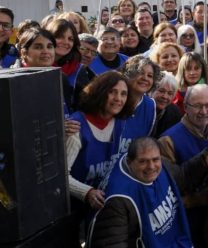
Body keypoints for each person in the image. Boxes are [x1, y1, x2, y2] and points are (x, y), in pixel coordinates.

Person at [159, 84, 208, 246]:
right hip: (188, 225)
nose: (204, 112)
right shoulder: (168, 140)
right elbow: (168, 190)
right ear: (185, 107)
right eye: (198, 106)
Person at [89, 137, 194, 247]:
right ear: (130, 162)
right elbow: (111, 243)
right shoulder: (118, 199)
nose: (151, 167)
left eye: (155, 159)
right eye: (143, 161)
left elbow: (182, 176)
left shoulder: (162, 167)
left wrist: (205, 159)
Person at [66, 72, 134, 216]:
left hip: (102, 204)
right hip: (74, 208)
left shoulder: (120, 122)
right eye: (112, 92)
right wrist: (88, 192)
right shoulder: (76, 126)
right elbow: (62, 177)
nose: (118, 99)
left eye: (123, 94)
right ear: (100, 92)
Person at [47, 18, 93, 111]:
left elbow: (85, 105)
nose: (66, 42)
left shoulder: (79, 70)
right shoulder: (35, 66)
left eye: (70, 39)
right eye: (60, 36)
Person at [119, 56, 161, 154]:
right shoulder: (115, 100)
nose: (145, 78)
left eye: (150, 76)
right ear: (129, 74)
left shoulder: (150, 106)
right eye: (140, 73)